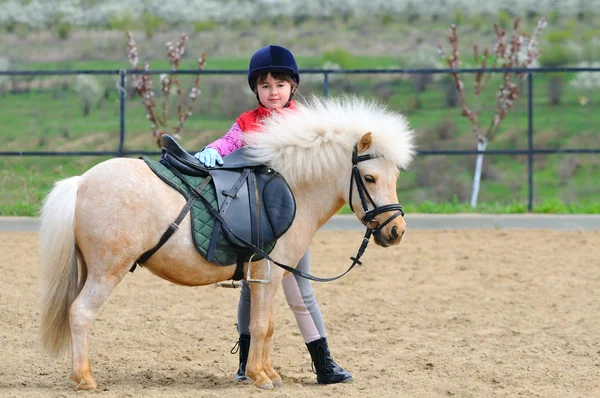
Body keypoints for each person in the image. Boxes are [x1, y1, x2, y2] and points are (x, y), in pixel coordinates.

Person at [194, 45, 352, 385]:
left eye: (280, 84)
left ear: (292, 86)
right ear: (256, 90)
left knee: (300, 291)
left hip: (291, 221)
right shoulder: (247, 122)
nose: (273, 91)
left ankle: (323, 361)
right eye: (265, 86)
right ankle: (246, 363)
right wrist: (211, 151)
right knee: (250, 289)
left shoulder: (306, 124)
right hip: (253, 219)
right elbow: (228, 143)